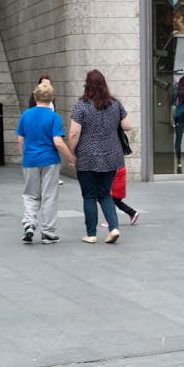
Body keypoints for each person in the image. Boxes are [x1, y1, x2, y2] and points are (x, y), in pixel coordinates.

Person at [68, 69, 130, 244]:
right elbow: (127, 126)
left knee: (89, 196)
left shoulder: (81, 105)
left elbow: (74, 133)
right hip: (112, 155)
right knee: (105, 194)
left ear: (87, 85)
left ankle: (91, 234)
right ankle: (114, 228)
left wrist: (71, 152)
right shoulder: (115, 104)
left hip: (87, 156)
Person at [16, 81, 74, 244]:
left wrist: (24, 155)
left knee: (30, 194)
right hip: (49, 160)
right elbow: (58, 141)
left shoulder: (25, 115)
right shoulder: (54, 117)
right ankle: (48, 232)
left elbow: (21, 140)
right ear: (52, 98)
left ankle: (29, 224)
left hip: (30, 160)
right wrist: (71, 157)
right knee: (49, 195)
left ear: (35, 97)